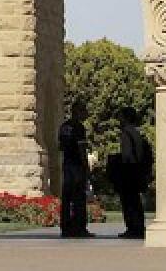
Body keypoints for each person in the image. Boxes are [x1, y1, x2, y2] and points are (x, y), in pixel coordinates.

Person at [58, 100, 93, 238]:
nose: (86, 113)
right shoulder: (79, 127)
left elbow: (61, 146)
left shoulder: (64, 127)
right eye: (83, 110)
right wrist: (85, 165)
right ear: (77, 111)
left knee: (67, 197)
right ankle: (79, 227)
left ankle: (66, 227)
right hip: (77, 165)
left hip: (67, 164)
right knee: (79, 197)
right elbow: (81, 148)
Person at [116, 106, 151, 239]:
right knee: (135, 201)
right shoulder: (137, 132)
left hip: (129, 170)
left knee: (128, 201)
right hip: (137, 169)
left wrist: (124, 167)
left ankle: (132, 228)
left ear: (125, 117)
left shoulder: (126, 133)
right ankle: (138, 226)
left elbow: (127, 154)